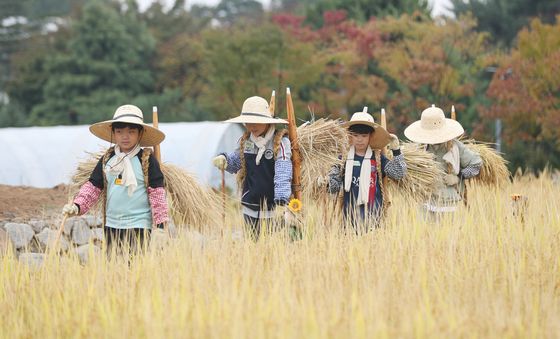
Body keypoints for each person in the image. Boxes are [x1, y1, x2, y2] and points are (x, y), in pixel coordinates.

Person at [62, 104, 169, 253]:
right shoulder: (108, 159)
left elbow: (157, 194)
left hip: (139, 225)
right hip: (112, 225)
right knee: (114, 267)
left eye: (131, 131)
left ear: (140, 133)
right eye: (119, 132)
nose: (125, 136)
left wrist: (161, 226)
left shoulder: (146, 160)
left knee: (137, 268)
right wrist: (77, 206)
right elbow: (93, 186)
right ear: (113, 132)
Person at [212, 96, 292, 240]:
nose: (252, 126)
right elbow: (237, 160)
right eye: (248, 122)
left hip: (273, 204)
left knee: (270, 243)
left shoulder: (280, 141)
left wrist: (281, 197)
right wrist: (225, 160)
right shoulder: (247, 141)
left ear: (267, 122)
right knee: (251, 243)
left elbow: (283, 169)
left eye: (256, 122)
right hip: (249, 202)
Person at [328, 107, 406, 232]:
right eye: (356, 135)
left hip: (375, 219)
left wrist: (396, 150)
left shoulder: (378, 159)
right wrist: (328, 177)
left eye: (364, 136)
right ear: (350, 136)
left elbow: (398, 173)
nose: (359, 139)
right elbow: (333, 188)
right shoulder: (343, 159)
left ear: (370, 137)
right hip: (349, 220)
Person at [404, 104, 482, 219]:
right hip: (426, 201)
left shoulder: (455, 147)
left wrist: (459, 177)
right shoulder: (419, 149)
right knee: (424, 235)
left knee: (450, 235)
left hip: (450, 202)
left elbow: (476, 164)